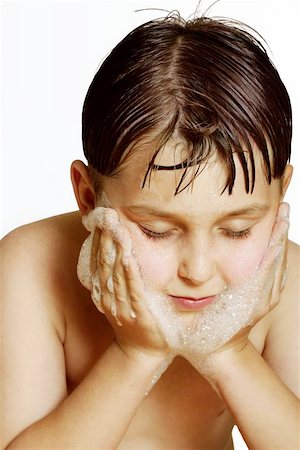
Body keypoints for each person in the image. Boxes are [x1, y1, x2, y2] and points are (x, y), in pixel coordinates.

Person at [1, 12, 299, 450]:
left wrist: (228, 353)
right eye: (157, 231)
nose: (198, 270)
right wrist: (135, 354)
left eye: (237, 230)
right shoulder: (28, 267)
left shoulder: (285, 282)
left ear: (279, 202)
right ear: (88, 198)